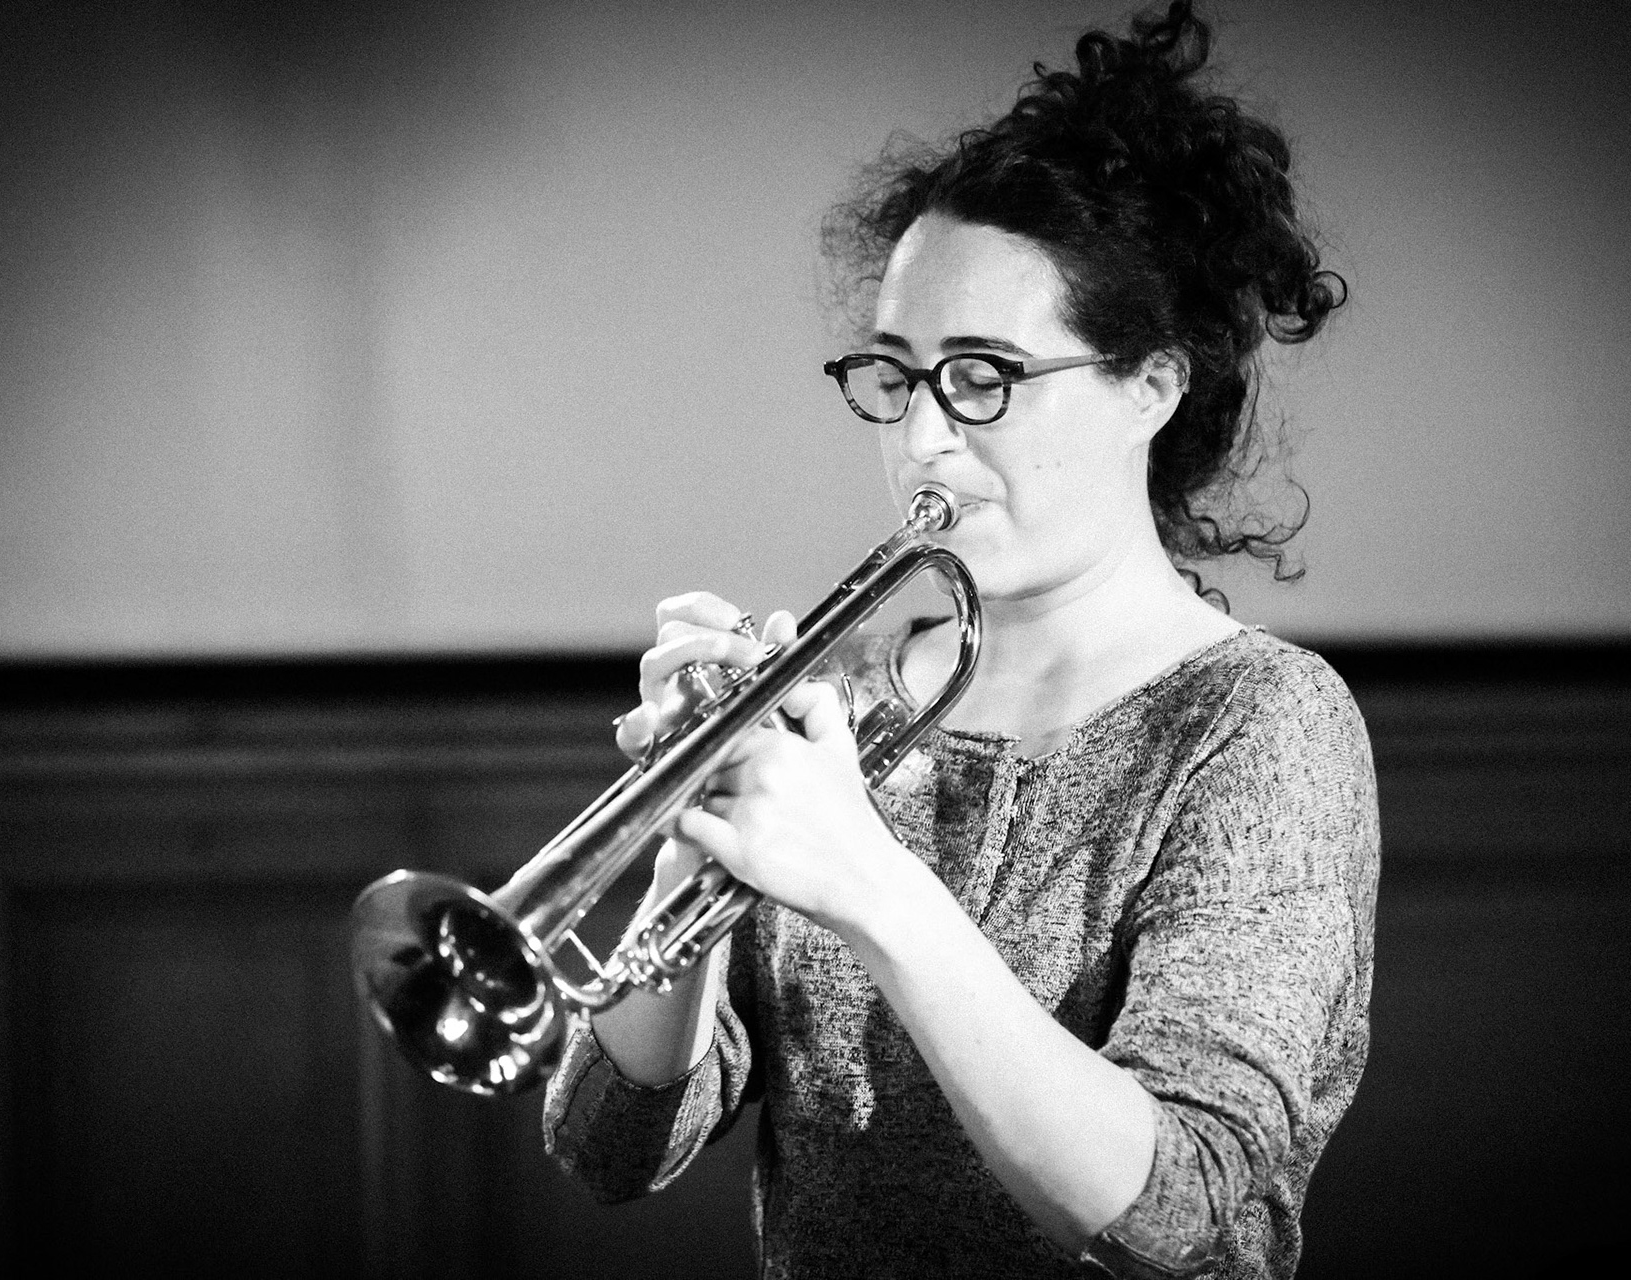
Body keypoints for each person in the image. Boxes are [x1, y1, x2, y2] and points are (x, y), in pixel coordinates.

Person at [542, 5, 1378, 1277]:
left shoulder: (1262, 725)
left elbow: (1186, 1217)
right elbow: (608, 1148)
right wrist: (685, 853)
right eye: (897, 375)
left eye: (983, 377)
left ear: (1150, 386)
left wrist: (871, 883)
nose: (923, 438)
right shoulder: (840, 699)